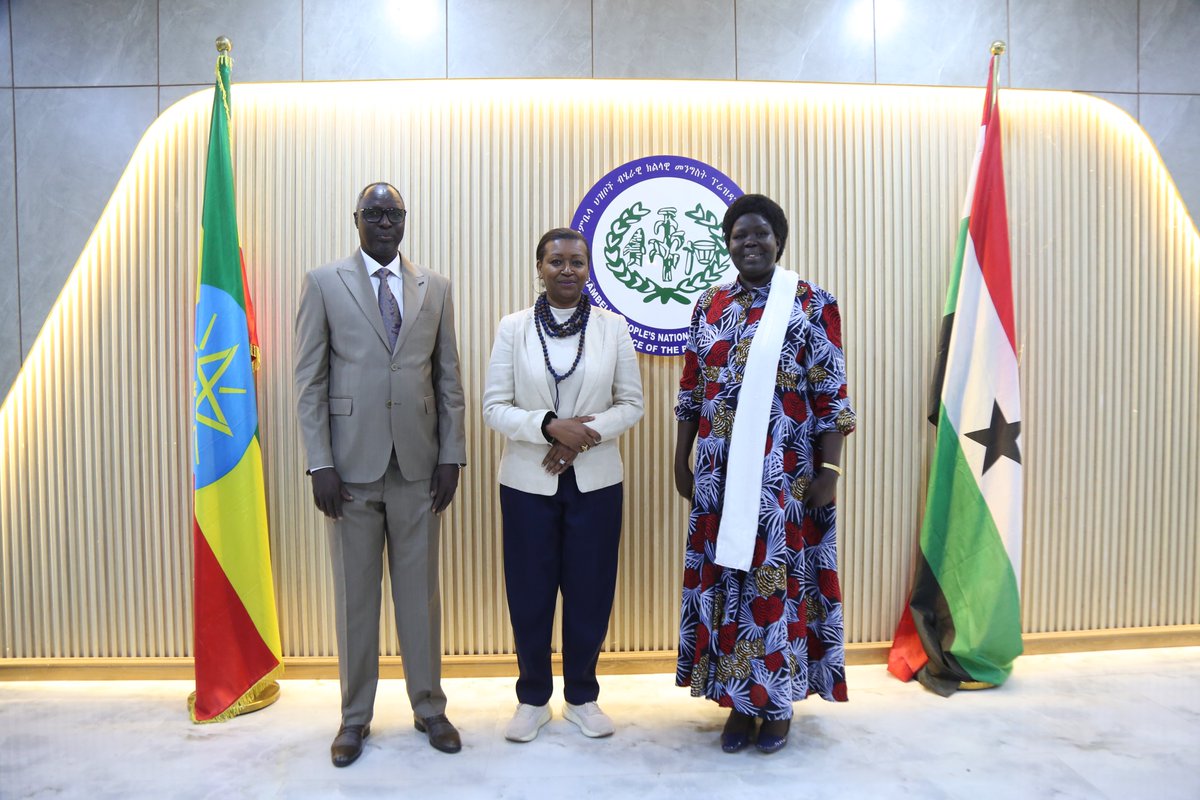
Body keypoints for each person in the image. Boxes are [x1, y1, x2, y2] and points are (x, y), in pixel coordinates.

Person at [673, 194, 856, 754]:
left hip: (784, 478)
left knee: (774, 584)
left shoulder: (810, 303)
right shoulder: (709, 303)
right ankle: (735, 701)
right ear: (727, 244)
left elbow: (831, 393)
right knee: (727, 580)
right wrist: (680, 459)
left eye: (760, 234)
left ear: (779, 239)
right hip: (719, 475)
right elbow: (692, 391)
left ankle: (774, 704)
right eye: (738, 236)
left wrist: (828, 470)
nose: (749, 243)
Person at [294, 182, 467, 767]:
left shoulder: (435, 287)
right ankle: (354, 718)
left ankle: (429, 706)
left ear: (405, 219)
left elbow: (448, 380)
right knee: (355, 598)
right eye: (374, 213)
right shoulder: (324, 283)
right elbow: (310, 382)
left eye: (394, 212)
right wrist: (320, 461)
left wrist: (452, 456)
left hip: (419, 466)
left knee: (420, 596)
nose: (385, 222)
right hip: (348, 470)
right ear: (356, 220)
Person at [482, 228, 644, 743]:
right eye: (557, 261)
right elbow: (494, 407)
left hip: (596, 483)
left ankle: (582, 697)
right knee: (529, 592)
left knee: (590, 591)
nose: (567, 270)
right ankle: (532, 699)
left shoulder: (612, 328)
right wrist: (550, 426)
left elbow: (632, 404)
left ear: (588, 268)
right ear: (540, 267)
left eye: (577, 261)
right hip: (528, 482)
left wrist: (581, 438)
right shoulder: (512, 328)